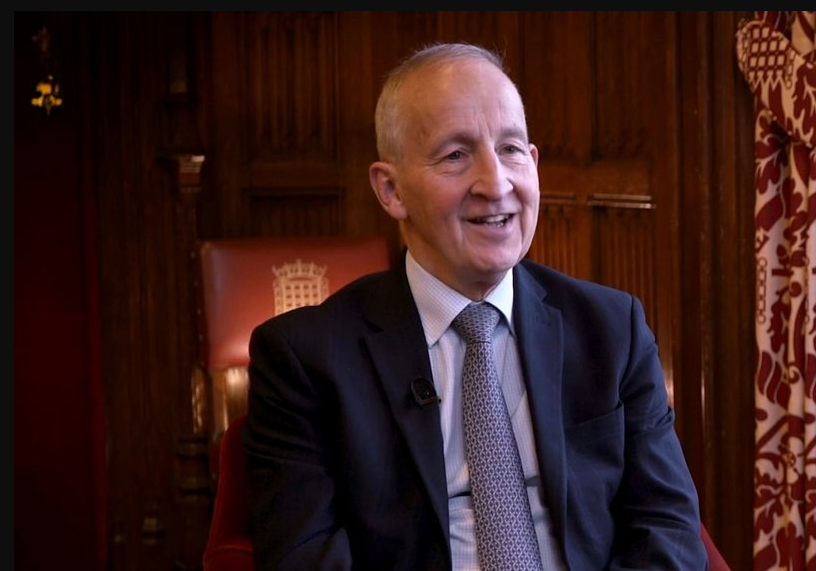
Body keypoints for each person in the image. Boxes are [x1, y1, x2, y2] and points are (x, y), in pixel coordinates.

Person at [243, 42, 707, 570]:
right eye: (455, 155)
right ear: (391, 190)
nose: (495, 183)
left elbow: (667, 529)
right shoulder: (305, 358)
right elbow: (306, 557)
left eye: (511, 149)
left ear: (533, 164)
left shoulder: (612, 329)